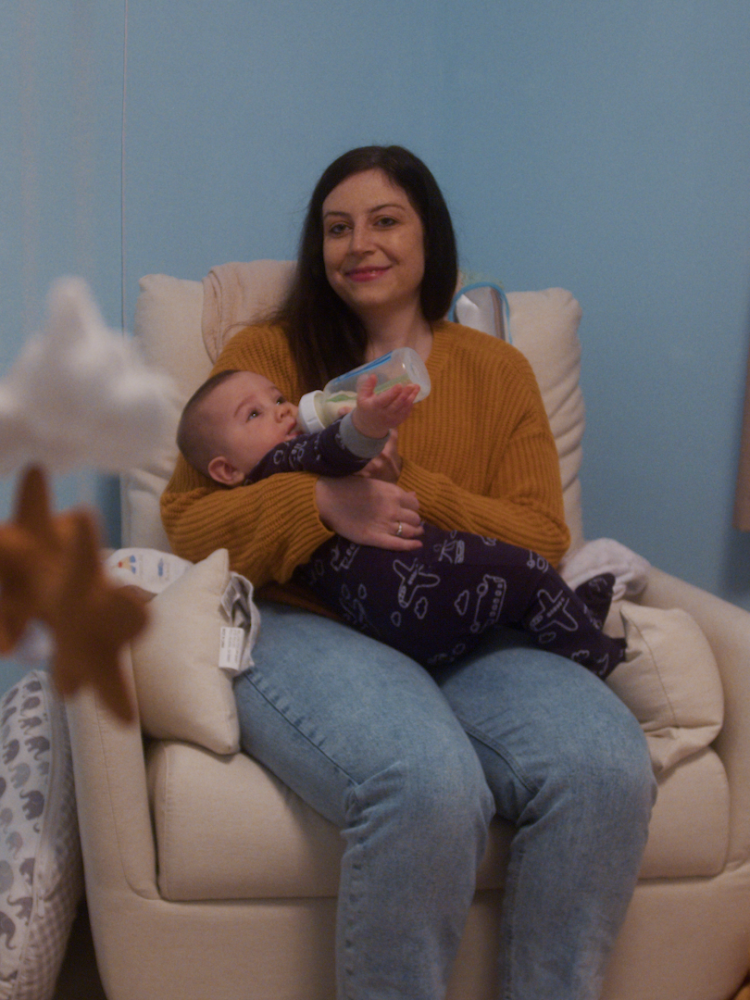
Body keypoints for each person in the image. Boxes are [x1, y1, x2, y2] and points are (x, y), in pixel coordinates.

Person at [161, 145, 655, 1000]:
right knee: (427, 784)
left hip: (465, 625)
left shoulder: (498, 372)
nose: (361, 244)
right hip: (309, 623)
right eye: (337, 228)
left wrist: (408, 487)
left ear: (430, 236)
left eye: (386, 221)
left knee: (606, 765)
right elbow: (191, 517)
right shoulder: (269, 354)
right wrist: (318, 502)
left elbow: (541, 534)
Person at [176, 367, 626, 675]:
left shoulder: (277, 484)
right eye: (253, 414)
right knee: (528, 573)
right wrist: (365, 426)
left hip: (396, 626)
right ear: (226, 472)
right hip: (422, 581)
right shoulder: (279, 464)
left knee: (511, 599)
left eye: (277, 398)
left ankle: (574, 615)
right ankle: (592, 651)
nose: (283, 410)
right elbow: (331, 449)